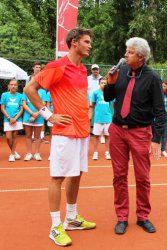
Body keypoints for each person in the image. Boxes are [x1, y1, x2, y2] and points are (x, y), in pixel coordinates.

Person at [24, 27, 96, 247]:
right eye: (86, 41)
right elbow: (29, 89)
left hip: (82, 130)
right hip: (64, 132)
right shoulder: (58, 66)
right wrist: (48, 115)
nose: (89, 45)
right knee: (58, 177)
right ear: (74, 42)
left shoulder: (83, 70)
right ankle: (55, 227)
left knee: (76, 174)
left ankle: (71, 218)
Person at [104, 37, 166, 235]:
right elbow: (108, 97)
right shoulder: (121, 71)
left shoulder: (153, 77)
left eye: (129, 52)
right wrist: (110, 84)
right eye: (126, 51)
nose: (125, 55)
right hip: (116, 130)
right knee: (119, 176)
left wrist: (156, 139)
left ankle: (142, 216)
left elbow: (160, 111)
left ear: (140, 56)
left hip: (140, 132)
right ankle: (122, 216)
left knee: (142, 177)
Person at [1, 79, 24, 162]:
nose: (13, 86)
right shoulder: (4, 95)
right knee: (8, 137)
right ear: (8, 86)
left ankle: (12, 154)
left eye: (15, 85)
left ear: (17, 86)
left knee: (14, 136)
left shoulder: (20, 96)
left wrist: (15, 118)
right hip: (7, 119)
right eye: (11, 84)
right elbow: (2, 108)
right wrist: (9, 118)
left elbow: (21, 109)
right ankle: (14, 152)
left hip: (17, 119)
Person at [22, 86, 46, 160]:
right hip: (27, 117)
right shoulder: (25, 91)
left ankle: (37, 153)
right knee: (28, 135)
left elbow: (43, 105)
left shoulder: (42, 92)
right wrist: (32, 113)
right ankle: (29, 153)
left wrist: (36, 115)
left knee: (37, 136)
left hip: (39, 117)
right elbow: (24, 104)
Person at [90, 77, 112, 160]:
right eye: (102, 83)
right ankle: (95, 152)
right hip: (98, 119)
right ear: (99, 83)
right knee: (96, 136)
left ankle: (107, 152)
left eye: (105, 83)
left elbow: (110, 104)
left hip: (107, 119)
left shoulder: (109, 93)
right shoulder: (95, 93)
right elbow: (92, 104)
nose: (103, 84)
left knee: (107, 136)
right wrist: (91, 116)